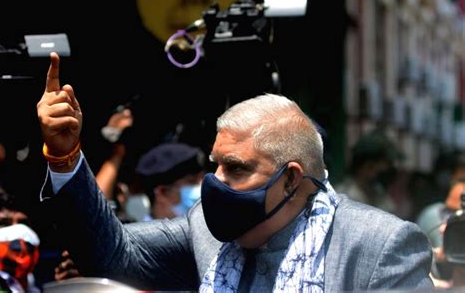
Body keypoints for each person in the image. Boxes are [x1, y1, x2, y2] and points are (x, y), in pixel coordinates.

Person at [36, 52, 433, 291]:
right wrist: (65, 155)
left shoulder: (380, 246)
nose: (216, 182)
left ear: (292, 179)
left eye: (236, 168)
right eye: (217, 165)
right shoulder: (205, 230)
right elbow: (111, 256)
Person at [334, 130, 402, 216]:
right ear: (368, 166)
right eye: (387, 164)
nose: (390, 169)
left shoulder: (381, 197)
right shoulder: (342, 199)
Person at [131, 142, 205, 221]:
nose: (202, 186)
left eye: (202, 178)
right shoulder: (139, 232)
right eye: (192, 182)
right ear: (163, 192)